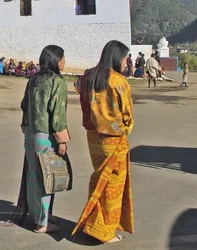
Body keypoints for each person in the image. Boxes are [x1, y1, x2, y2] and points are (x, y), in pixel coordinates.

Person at [73, 40, 134, 244]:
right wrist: (124, 129)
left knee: (101, 178)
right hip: (114, 139)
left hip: (93, 137)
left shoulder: (88, 76)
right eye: (125, 57)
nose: (126, 62)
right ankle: (104, 230)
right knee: (112, 184)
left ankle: (95, 223)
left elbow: (83, 103)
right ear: (118, 57)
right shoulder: (118, 81)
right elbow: (127, 114)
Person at [9, 45, 70, 233]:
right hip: (47, 137)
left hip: (31, 135)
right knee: (47, 178)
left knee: (34, 177)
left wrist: (26, 126)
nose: (64, 61)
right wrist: (61, 140)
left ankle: (37, 217)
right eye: (63, 58)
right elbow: (57, 114)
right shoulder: (57, 81)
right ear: (55, 60)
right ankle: (42, 223)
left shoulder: (34, 79)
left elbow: (24, 105)